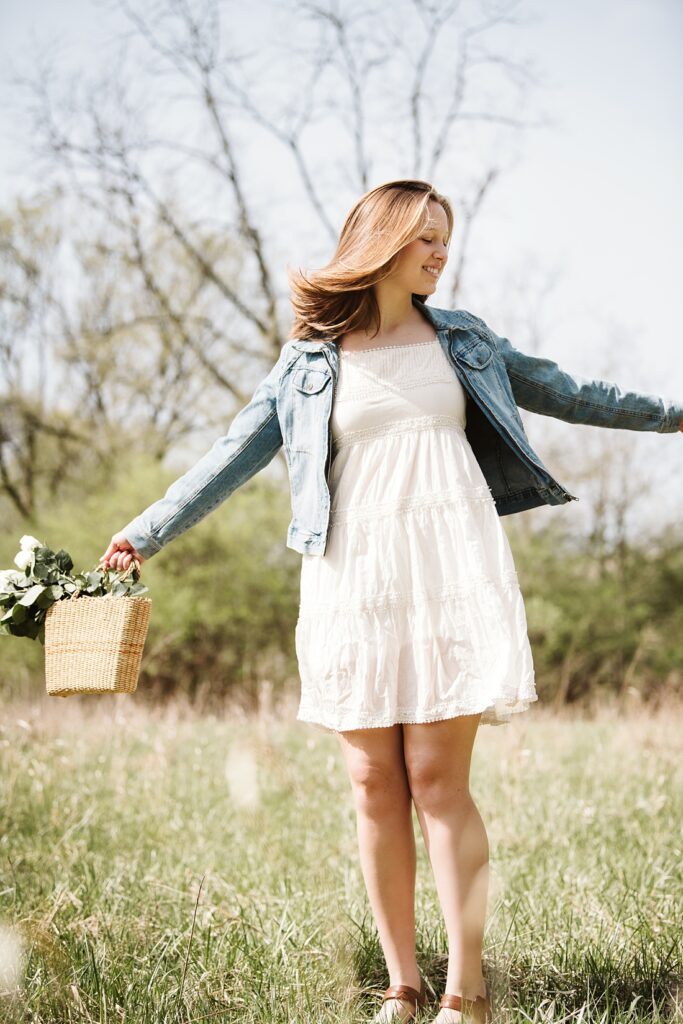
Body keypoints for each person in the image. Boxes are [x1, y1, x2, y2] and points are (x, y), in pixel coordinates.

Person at [100, 179, 683, 1023]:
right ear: (382, 241)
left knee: (436, 779)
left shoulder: (465, 342)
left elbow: (572, 392)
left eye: (446, 239)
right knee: (373, 781)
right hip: (354, 574)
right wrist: (144, 532)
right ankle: (402, 984)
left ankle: (465, 990)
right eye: (427, 239)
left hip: (448, 567)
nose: (442, 254)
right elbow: (229, 456)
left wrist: (672, 416)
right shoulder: (308, 362)